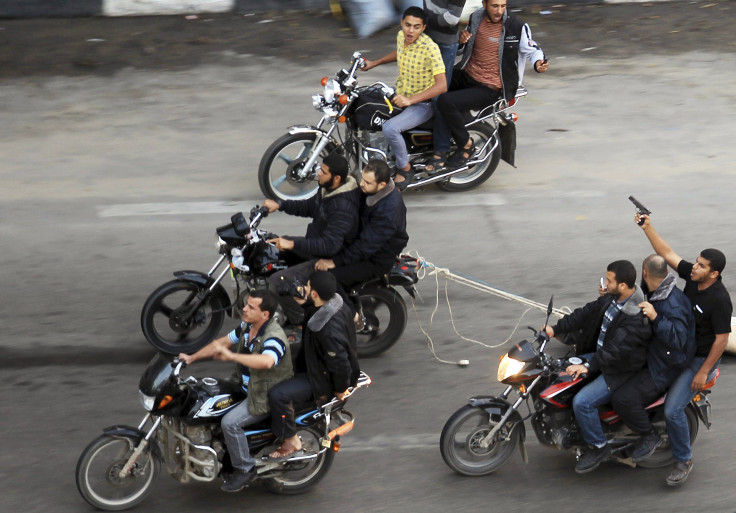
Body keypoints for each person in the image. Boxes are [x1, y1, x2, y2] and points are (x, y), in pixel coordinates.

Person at [636, 212, 732, 486]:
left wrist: (702, 372)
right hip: (676, 345)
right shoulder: (693, 276)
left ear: (714, 273)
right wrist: (648, 226)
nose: (694, 267)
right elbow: (666, 252)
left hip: (697, 359)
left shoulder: (719, 300)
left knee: (672, 410)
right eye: (696, 262)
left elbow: (721, 340)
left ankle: (683, 459)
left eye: (701, 266)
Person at [178, 290, 293, 492]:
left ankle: (245, 468)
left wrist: (232, 357)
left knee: (229, 423)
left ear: (265, 315)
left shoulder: (274, 337)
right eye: (246, 304)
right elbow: (220, 343)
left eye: (251, 307)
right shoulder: (248, 327)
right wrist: (191, 358)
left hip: (262, 395)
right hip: (243, 385)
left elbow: (266, 361)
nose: (244, 309)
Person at [543, 260, 651, 474]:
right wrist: (555, 329)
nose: (605, 283)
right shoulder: (611, 299)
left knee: (583, 402)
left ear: (622, 285)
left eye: (609, 280)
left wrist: (589, 366)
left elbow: (617, 351)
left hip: (619, 369)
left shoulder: (635, 315)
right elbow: (585, 313)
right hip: (601, 357)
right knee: (558, 372)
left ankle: (598, 446)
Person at [434, 0, 548, 170]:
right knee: (433, 85)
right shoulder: (476, 18)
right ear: (484, 3)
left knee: (445, 101)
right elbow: (460, 50)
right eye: (495, 6)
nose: (499, 11)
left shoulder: (516, 26)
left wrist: (539, 62)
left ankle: (465, 145)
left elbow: (532, 50)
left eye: (503, 6)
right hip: (468, 74)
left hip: (490, 87)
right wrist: (461, 40)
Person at [610, 255, 696, 463]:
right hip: (651, 355)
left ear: (645, 272)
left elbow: (678, 340)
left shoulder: (673, 303)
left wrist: (656, 317)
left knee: (623, 398)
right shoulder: (653, 291)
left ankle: (650, 436)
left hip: (665, 366)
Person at [267, 271, 360, 459]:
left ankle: (290, 439)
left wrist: (341, 389)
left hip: (321, 378)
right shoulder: (335, 303)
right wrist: (305, 300)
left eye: (308, 287)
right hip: (313, 362)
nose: (305, 288)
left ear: (316, 294)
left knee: (277, 394)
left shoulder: (328, 329)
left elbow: (339, 362)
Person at [264, 152, 361, 323]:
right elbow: (309, 207)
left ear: (336, 178)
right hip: (317, 245)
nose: (318, 173)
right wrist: (280, 205)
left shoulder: (342, 206)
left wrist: (293, 243)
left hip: (328, 256)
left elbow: (330, 245)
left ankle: (301, 323)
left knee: (278, 282)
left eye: (323, 172)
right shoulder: (328, 189)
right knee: (274, 249)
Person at [361, 6, 447, 190]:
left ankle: (405, 169)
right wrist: (374, 63)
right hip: (400, 94)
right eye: (407, 25)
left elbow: (442, 85)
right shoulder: (401, 37)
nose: (410, 30)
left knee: (390, 128)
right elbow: (400, 53)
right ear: (402, 23)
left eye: (416, 27)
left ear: (423, 28)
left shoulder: (430, 48)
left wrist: (411, 100)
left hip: (422, 104)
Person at [314, 159, 409, 313]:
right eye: (362, 179)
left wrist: (334, 262)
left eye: (368, 182)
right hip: (363, 245)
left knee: (331, 278)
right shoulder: (373, 191)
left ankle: (352, 316)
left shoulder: (387, 211)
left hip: (376, 258)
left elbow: (366, 246)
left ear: (382, 185)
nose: (362, 184)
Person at [423, 0, 468, 172]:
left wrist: (424, 20)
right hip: (426, 39)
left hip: (444, 45)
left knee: (438, 97)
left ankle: (441, 150)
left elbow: (451, 19)